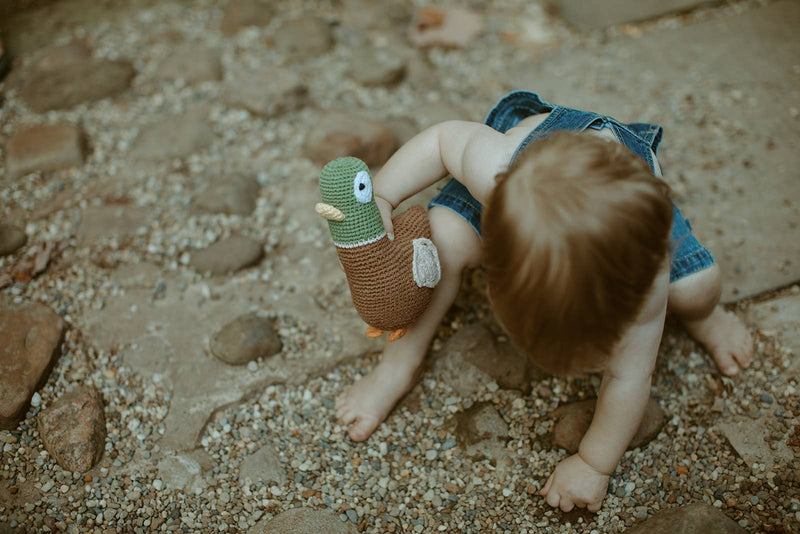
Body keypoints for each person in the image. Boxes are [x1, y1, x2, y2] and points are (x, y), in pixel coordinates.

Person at [334, 91, 753, 512]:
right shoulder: (497, 172)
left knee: (696, 287)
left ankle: (708, 316)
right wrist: (384, 195)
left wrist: (593, 463)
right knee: (440, 243)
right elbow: (443, 142)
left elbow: (630, 379)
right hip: (534, 175)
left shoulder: (646, 281)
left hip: (630, 208)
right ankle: (396, 367)